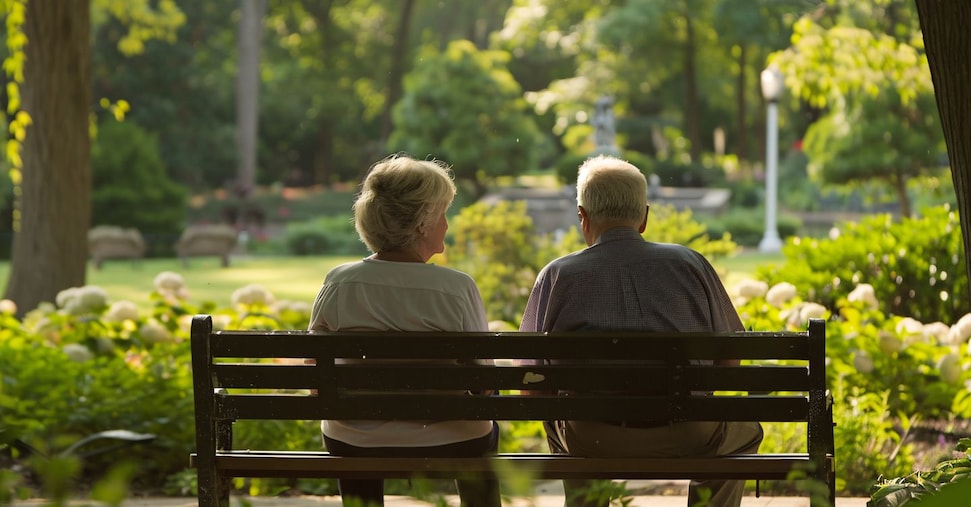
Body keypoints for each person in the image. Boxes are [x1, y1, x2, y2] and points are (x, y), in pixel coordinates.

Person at [519, 155, 763, 507]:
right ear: (645, 217)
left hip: (592, 437)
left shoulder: (557, 276)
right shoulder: (690, 265)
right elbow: (730, 358)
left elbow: (529, 379)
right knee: (744, 432)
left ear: (582, 217)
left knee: (563, 425)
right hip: (688, 431)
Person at [308, 154, 501, 507]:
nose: (447, 224)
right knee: (486, 417)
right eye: (443, 213)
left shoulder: (339, 283)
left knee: (351, 427)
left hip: (355, 439)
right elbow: (483, 380)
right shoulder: (456, 288)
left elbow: (314, 373)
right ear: (423, 224)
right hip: (452, 437)